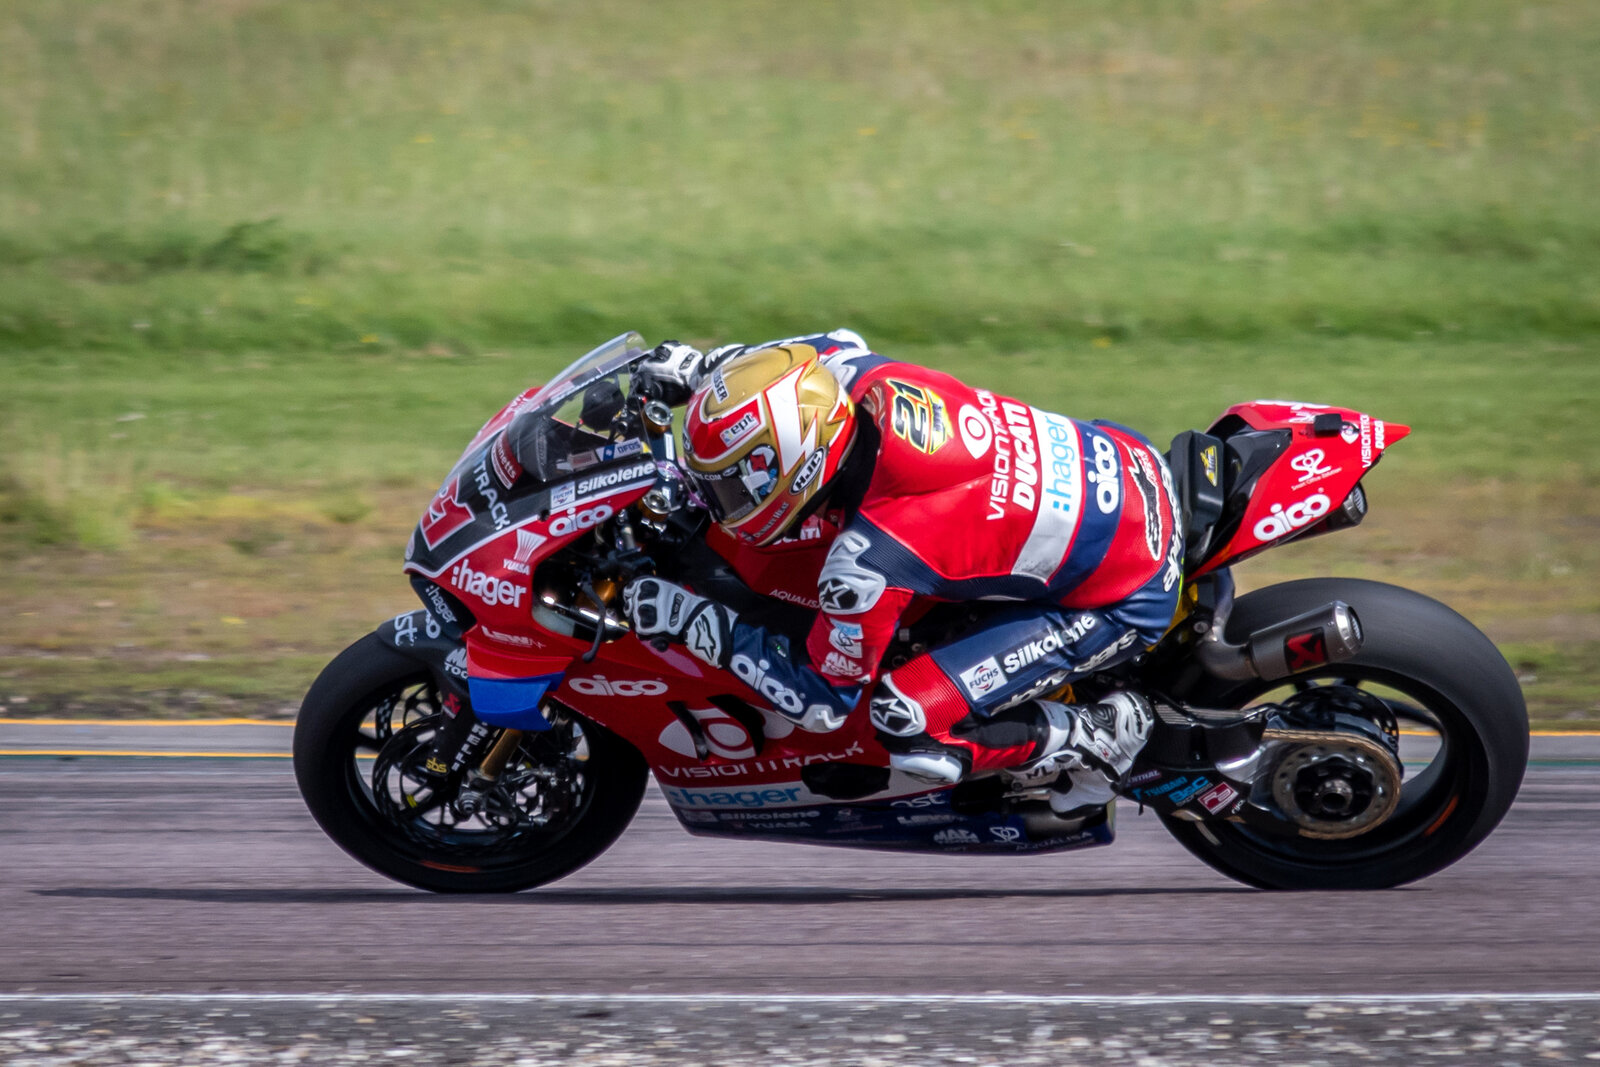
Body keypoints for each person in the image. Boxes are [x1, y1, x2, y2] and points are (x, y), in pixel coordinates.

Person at [623, 330, 1181, 813]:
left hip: (1128, 591)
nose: (714, 503)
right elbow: (804, 351)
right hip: (1127, 457)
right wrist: (701, 369)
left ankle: (1097, 736)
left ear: (795, 466)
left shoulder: (867, 560)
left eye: (727, 488)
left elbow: (823, 703)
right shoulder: (847, 372)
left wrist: (690, 619)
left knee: (904, 720)